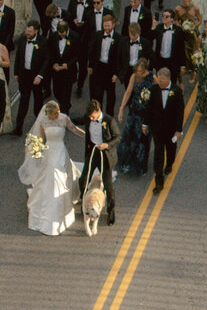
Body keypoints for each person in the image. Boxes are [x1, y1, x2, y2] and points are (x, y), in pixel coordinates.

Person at [18, 99, 83, 235]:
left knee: (60, 176)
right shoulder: (43, 122)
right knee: (51, 176)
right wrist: (36, 149)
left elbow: (74, 129)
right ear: (48, 114)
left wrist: (87, 136)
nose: (57, 115)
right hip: (50, 153)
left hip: (60, 152)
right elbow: (41, 139)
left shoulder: (64, 118)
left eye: (58, 112)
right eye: (54, 113)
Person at [76, 97, 120, 226]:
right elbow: (78, 120)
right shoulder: (88, 117)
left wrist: (107, 144)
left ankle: (111, 211)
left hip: (105, 155)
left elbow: (118, 137)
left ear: (98, 111)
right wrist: (63, 118)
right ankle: (84, 202)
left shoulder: (109, 121)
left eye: (93, 117)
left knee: (108, 184)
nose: (91, 119)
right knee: (83, 179)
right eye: (89, 117)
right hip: (93, 152)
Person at [146, 67, 185, 192]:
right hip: (157, 128)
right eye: (159, 80)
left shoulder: (177, 91)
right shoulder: (154, 89)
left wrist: (178, 130)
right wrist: (145, 124)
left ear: (168, 79)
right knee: (158, 153)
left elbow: (180, 112)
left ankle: (169, 163)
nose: (159, 83)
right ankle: (159, 181)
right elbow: (149, 108)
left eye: (162, 81)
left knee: (171, 149)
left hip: (171, 128)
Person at [117, 59, 154, 176]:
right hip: (134, 111)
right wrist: (121, 108)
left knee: (143, 139)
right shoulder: (133, 76)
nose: (139, 74)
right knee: (130, 136)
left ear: (146, 70)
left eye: (141, 72)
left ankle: (141, 165)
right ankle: (126, 162)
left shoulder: (152, 78)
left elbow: (158, 92)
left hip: (145, 113)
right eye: (137, 71)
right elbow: (128, 92)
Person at [11, 19, 46, 134]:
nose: (28, 33)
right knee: (24, 101)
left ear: (36, 31)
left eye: (30, 32)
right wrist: (16, 73)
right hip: (24, 75)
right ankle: (18, 127)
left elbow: (47, 60)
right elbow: (18, 57)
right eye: (27, 31)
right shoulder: (22, 39)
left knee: (38, 100)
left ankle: (40, 123)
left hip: (36, 76)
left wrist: (40, 76)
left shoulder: (43, 42)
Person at [87, 14, 121, 114]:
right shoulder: (97, 35)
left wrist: (116, 73)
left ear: (114, 25)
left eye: (108, 26)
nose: (106, 28)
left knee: (110, 95)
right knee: (97, 93)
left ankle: (109, 117)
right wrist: (90, 65)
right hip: (99, 68)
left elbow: (119, 58)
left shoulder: (118, 38)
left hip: (110, 70)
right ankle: (98, 114)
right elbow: (92, 50)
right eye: (104, 25)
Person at [46, 19, 76, 110]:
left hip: (68, 70)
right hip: (56, 70)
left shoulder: (75, 37)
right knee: (56, 92)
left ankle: (65, 110)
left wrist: (67, 65)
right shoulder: (52, 37)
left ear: (68, 30)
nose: (61, 35)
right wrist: (53, 64)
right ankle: (65, 104)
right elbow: (49, 52)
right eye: (60, 33)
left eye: (63, 33)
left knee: (66, 93)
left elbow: (78, 54)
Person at [152, 8, 187, 83]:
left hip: (173, 62)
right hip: (160, 61)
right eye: (163, 16)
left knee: (172, 82)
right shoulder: (159, 28)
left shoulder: (178, 30)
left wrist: (182, 65)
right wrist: (153, 26)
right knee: (160, 82)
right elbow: (149, 38)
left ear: (172, 19)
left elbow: (181, 49)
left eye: (167, 16)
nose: (164, 18)